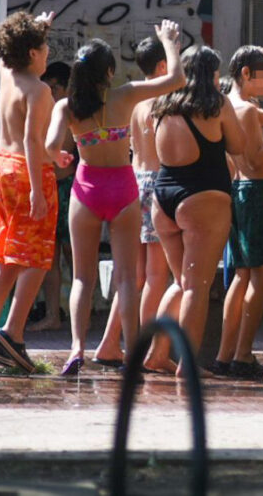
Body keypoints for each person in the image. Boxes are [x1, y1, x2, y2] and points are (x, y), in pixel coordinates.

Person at [46, 22, 184, 375]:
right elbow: (174, 81)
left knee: (82, 278)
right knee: (126, 278)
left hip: (87, 188)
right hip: (123, 189)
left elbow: (49, 146)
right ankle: (132, 356)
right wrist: (169, 43)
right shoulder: (124, 95)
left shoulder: (67, 107)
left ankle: (77, 348)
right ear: (109, 71)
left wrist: (61, 157)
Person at [0, 11, 61, 372]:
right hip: (26, 173)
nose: (48, 51)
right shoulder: (40, 89)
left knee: (9, 256)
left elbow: (10, 53)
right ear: (32, 53)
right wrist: (38, 189)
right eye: (44, 46)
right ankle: (13, 332)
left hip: (0, 167)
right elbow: (34, 141)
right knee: (36, 256)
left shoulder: (8, 76)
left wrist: (37, 28)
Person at [142, 44, 246, 376]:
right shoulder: (217, 105)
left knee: (182, 282)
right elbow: (240, 146)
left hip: (164, 198)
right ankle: (187, 363)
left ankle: (157, 355)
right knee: (197, 287)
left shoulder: (161, 105)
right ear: (211, 74)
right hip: (202, 198)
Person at [92, 37, 174, 367]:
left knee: (134, 277)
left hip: (134, 180)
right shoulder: (161, 99)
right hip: (155, 182)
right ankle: (145, 352)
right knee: (155, 277)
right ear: (163, 66)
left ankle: (111, 343)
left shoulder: (135, 100)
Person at [212, 46, 263, 379]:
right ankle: (242, 354)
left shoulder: (226, 106)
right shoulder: (249, 112)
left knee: (241, 275)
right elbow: (256, 159)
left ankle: (225, 354)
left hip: (237, 191)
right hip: (256, 190)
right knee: (261, 275)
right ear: (246, 74)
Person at [29, 60, 76, 332]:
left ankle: (80, 313)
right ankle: (52, 314)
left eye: (54, 86)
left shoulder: (69, 112)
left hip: (67, 185)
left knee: (73, 256)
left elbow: (54, 152)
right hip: (50, 187)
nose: (50, 91)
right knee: (50, 256)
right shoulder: (49, 110)